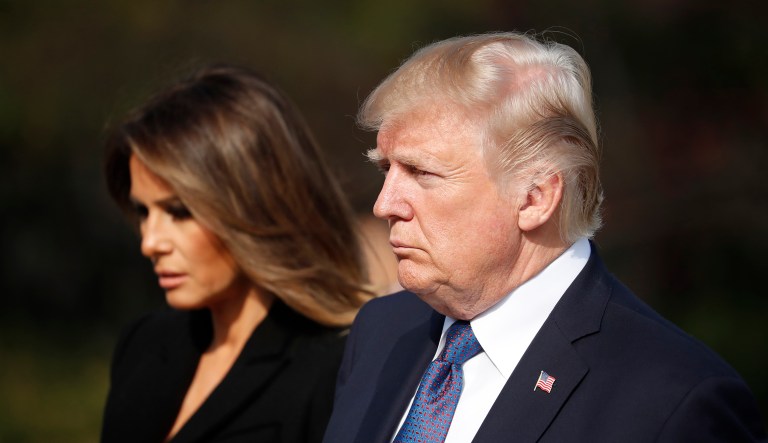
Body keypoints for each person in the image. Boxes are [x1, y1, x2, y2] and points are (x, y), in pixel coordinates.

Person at [322, 32, 767, 442]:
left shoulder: (674, 398)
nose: (385, 204)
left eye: (421, 172)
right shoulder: (382, 331)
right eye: (386, 169)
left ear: (535, 198)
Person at [100, 64, 371, 443]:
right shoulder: (144, 344)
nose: (150, 242)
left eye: (179, 211)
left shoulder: (334, 372)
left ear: (251, 203)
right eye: (144, 212)